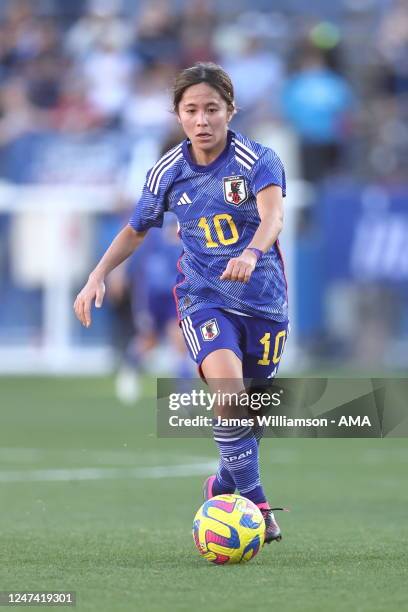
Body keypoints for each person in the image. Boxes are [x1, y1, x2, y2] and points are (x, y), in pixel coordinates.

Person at [74, 62, 289, 543]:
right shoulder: (167, 171)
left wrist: (252, 253)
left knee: (247, 418)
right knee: (229, 395)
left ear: (230, 110)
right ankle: (257, 508)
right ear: (177, 114)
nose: (202, 120)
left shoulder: (258, 160)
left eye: (212, 109)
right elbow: (135, 229)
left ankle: (223, 484)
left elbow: (273, 217)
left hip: (265, 302)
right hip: (203, 299)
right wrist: (98, 274)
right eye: (191, 110)